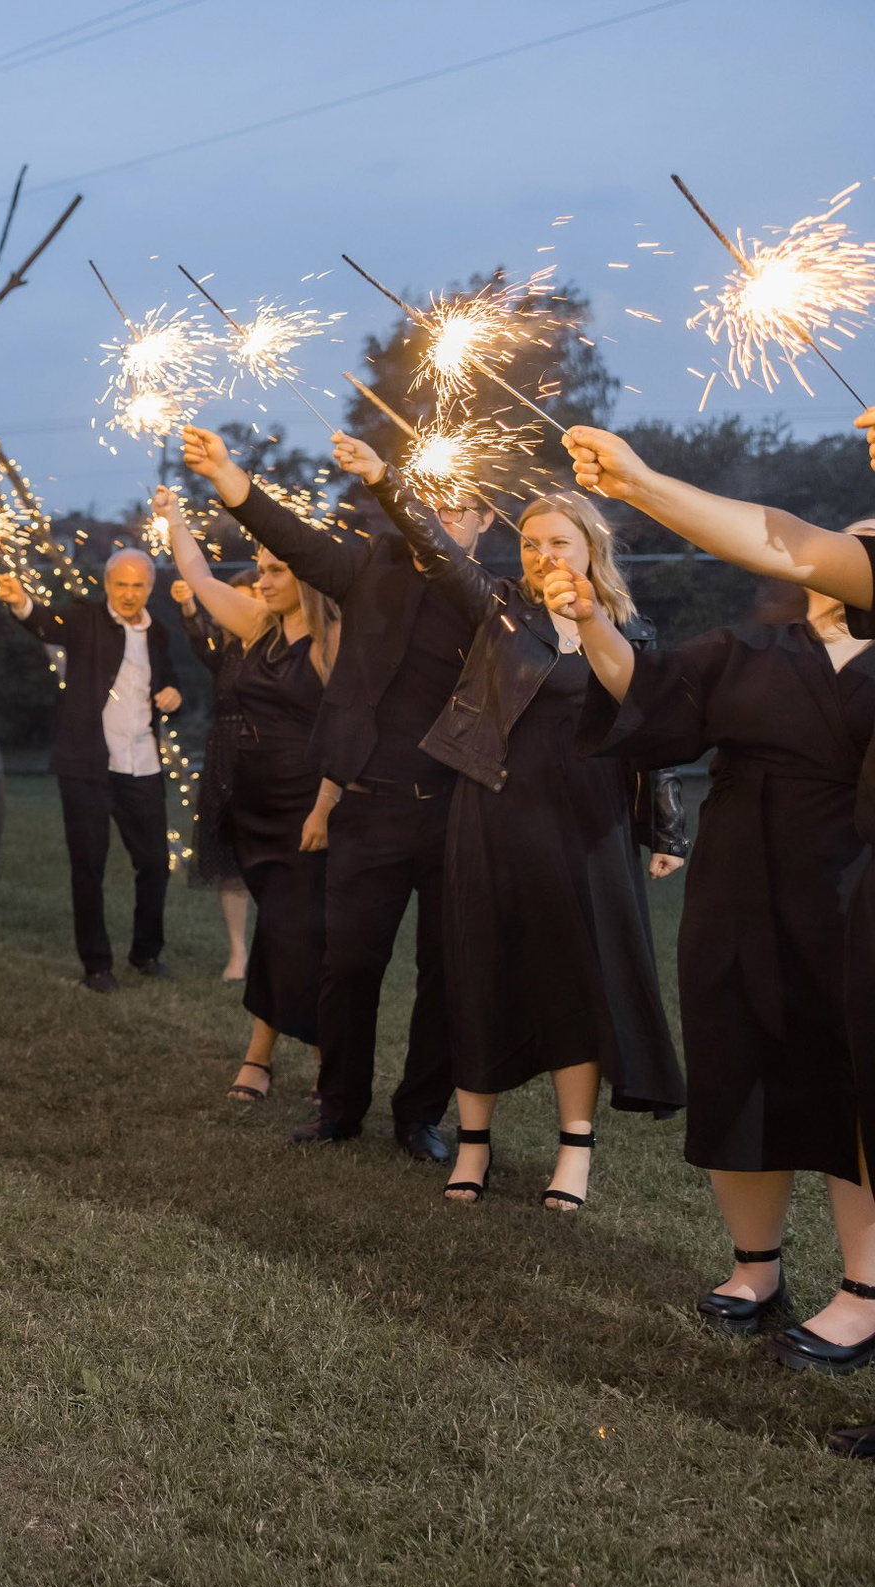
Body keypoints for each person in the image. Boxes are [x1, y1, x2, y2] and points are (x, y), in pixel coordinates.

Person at [561, 414, 875, 1454]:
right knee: (742, 1060)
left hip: (851, 889)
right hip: (743, 881)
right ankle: (757, 1268)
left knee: (851, 1081)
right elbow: (645, 699)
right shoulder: (748, 647)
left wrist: (644, 485)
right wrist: (589, 617)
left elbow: (781, 530)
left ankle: (864, 1291)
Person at [336, 435, 686, 1211]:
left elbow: (655, 730)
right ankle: (473, 1143)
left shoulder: (629, 629)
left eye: (556, 541)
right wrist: (387, 480)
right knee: (478, 969)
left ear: (591, 546)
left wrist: (665, 832)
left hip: (586, 825)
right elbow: (437, 550)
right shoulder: (497, 609)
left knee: (576, 980)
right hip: (491, 811)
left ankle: (574, 1152)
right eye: (528, 543)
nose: (539, 554)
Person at [182, 424, 494, 1162]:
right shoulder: (371, 563)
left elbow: (455, 574)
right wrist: (230, 477)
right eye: (435, 504)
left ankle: (418, 1113)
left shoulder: (488, 595)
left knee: (444, 975)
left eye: (461, 511)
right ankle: (338, 1106)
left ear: (484, 522)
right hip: (368, 803)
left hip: (455, 812)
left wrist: (390, 482)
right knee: (348, 964)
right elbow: (292, 537)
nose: (444, 519)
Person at [156, 490, 338, 1101]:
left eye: (276, 569)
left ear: (306, 572)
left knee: (294, 931)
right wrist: (175, 520)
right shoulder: (258, 624)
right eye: (259, 568)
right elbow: (198, 576)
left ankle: (269, 1057)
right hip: (252, 804)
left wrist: (326, 806)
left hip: (307, 808)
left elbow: (350, 728)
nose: (262, 579)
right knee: (285, 930)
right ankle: (315, 1056)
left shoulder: (332, 641)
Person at [0, 548, 185, 990]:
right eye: (121, 585)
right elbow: (44, 621)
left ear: (150, 589)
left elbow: (169, 676)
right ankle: (97, 965)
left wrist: (174, 692)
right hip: (88, 765)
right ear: (107, 585)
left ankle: (146, 952)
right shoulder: (87, 620)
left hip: (143, 764)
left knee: (156, 863)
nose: (129, 594)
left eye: (138, 586)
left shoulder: (159, 634)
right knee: (89, 865)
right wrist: (19, 601)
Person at [170, 563, 261, 983]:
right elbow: (200, 639)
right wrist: (189, 605)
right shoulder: (224, 647)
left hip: (271, 753)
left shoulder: (288, 645)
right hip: (225, 755)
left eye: (254, 593)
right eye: (238, 596)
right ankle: (238, 953)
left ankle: (274, 948)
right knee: (229, 859)